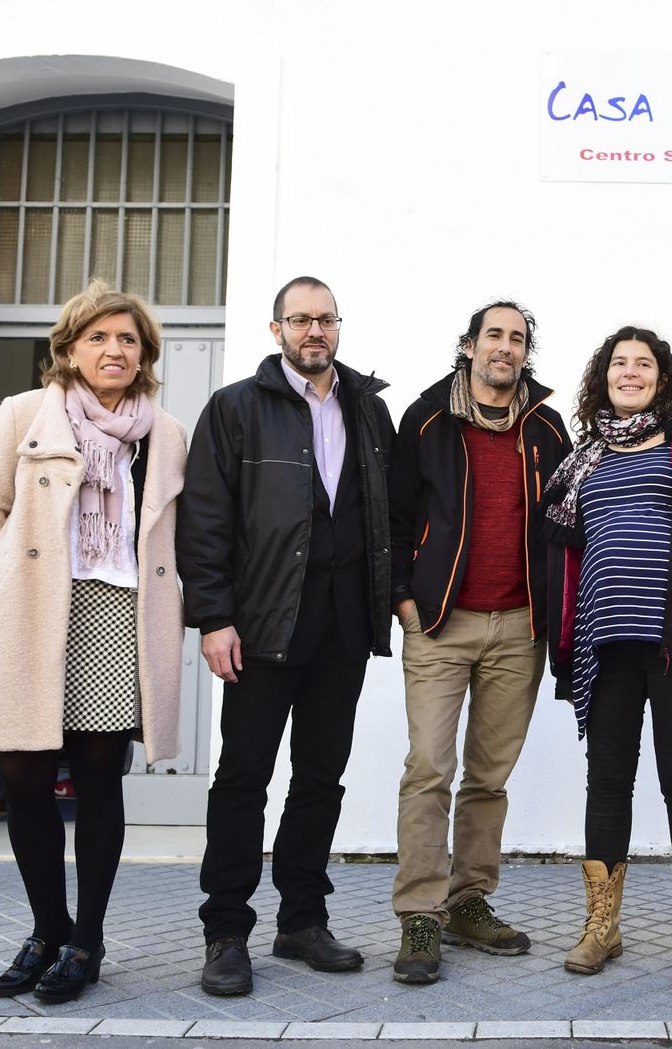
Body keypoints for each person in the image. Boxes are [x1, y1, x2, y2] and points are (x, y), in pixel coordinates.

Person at [0, 281, 187, 1004]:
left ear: (144, 354)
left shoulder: (165, 433)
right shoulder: (24, 413)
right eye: (98, 337)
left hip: (118, 616)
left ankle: (87, 940)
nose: (114, 350)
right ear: (71, 348)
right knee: (22, 777)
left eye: (128, 339)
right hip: (32, 610)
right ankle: (47, 930)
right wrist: (26, 576)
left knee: (98, 781)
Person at [177, 276, 395, 996]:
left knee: (320, 780)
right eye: (300, 320)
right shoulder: (236, 407)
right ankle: (225, 932)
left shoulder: (368, 408)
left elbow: (385, 511)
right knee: (243, 780)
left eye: (326, 319)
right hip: (261, 626)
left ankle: (303, 920)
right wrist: (214, 617)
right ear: (276, 330)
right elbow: (204, 519)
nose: (315, 331)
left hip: (343, 628)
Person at [544, 327, 672, 982]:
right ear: (603, 377)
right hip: (603, 645)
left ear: (664, 379)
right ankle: (601, 927)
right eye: (619, 363)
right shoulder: (582, 459)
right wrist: (561, 643)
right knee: (607, 783)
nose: (630, 373)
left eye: (643, 364)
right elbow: (562, 558)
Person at [387, 301, 572, 984]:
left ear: (526, 352)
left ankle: (468, 900)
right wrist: (404, 600)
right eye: (494, 334)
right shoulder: (427, 418)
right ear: (469, 345)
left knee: (489, 778)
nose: (505, 347)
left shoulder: (547, 427)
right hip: (441, 622)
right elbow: (395, 515)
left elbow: (565, 522)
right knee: (429, 769)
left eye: (517, 338)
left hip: (519, 628)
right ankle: (421, 913)